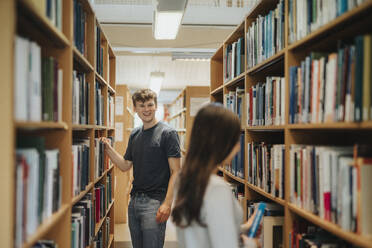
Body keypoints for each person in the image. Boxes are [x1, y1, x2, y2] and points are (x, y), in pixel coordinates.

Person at [172, 103, 259, 248]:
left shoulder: (183, 178)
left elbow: (201, 228)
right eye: (235, 140)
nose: (238, 147)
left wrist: (244, 227)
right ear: (221, 142)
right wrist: (252, 244)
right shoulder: (216, 188)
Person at [101, 89, 181, 248]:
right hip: (134, 202)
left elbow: (176, 172)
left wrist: (167, 203)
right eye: (142, 105)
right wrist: (108, 149)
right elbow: (125, 165)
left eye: (150, 105)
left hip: (155, 203)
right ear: (135, 108)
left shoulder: (168, 133)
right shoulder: (135, 134)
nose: (147, 109)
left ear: (156, 106)